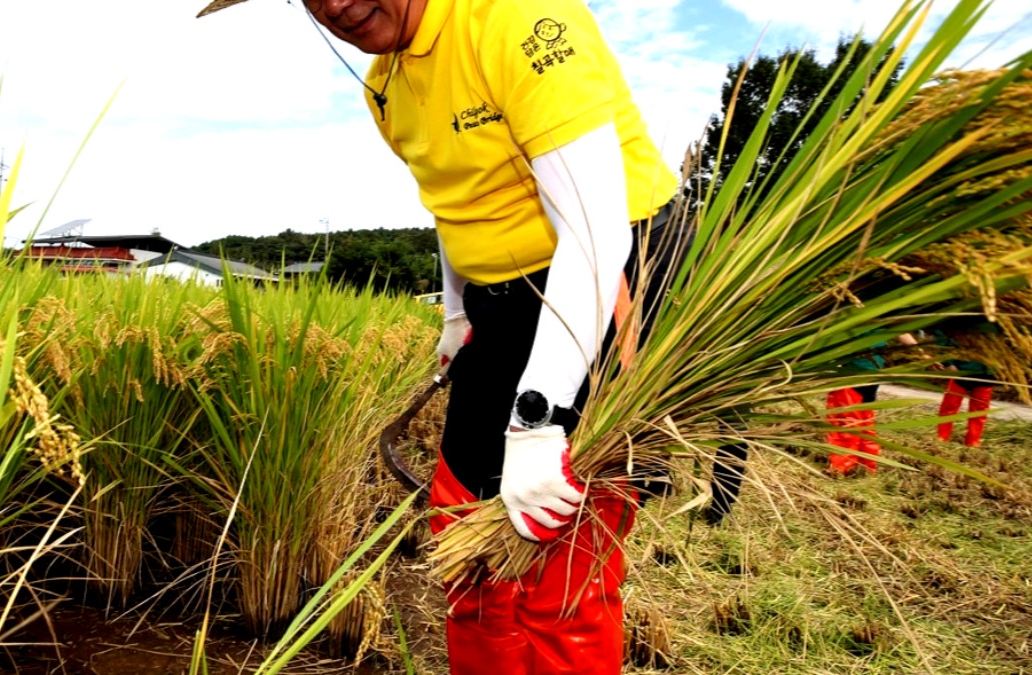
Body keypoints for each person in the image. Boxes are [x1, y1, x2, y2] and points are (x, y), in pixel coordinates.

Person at [197, 0, 683, 672]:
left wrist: (538, 423)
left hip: (603, 280)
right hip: (504, 295)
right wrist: (458, 312)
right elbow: (455, 200)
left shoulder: (520, 22)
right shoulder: (384, 83)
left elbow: (597, 235)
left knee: (557, 557)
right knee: (465, 541)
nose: (336, 4)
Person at [825, 333, 919, 476]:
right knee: (865, 422)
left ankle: (840, 468)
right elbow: (903, 332)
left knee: (845, 422)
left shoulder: (851, 312)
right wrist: (923, 353)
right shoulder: (884, 314)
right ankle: (867, 466)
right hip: (873, 372)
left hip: (852, 373)